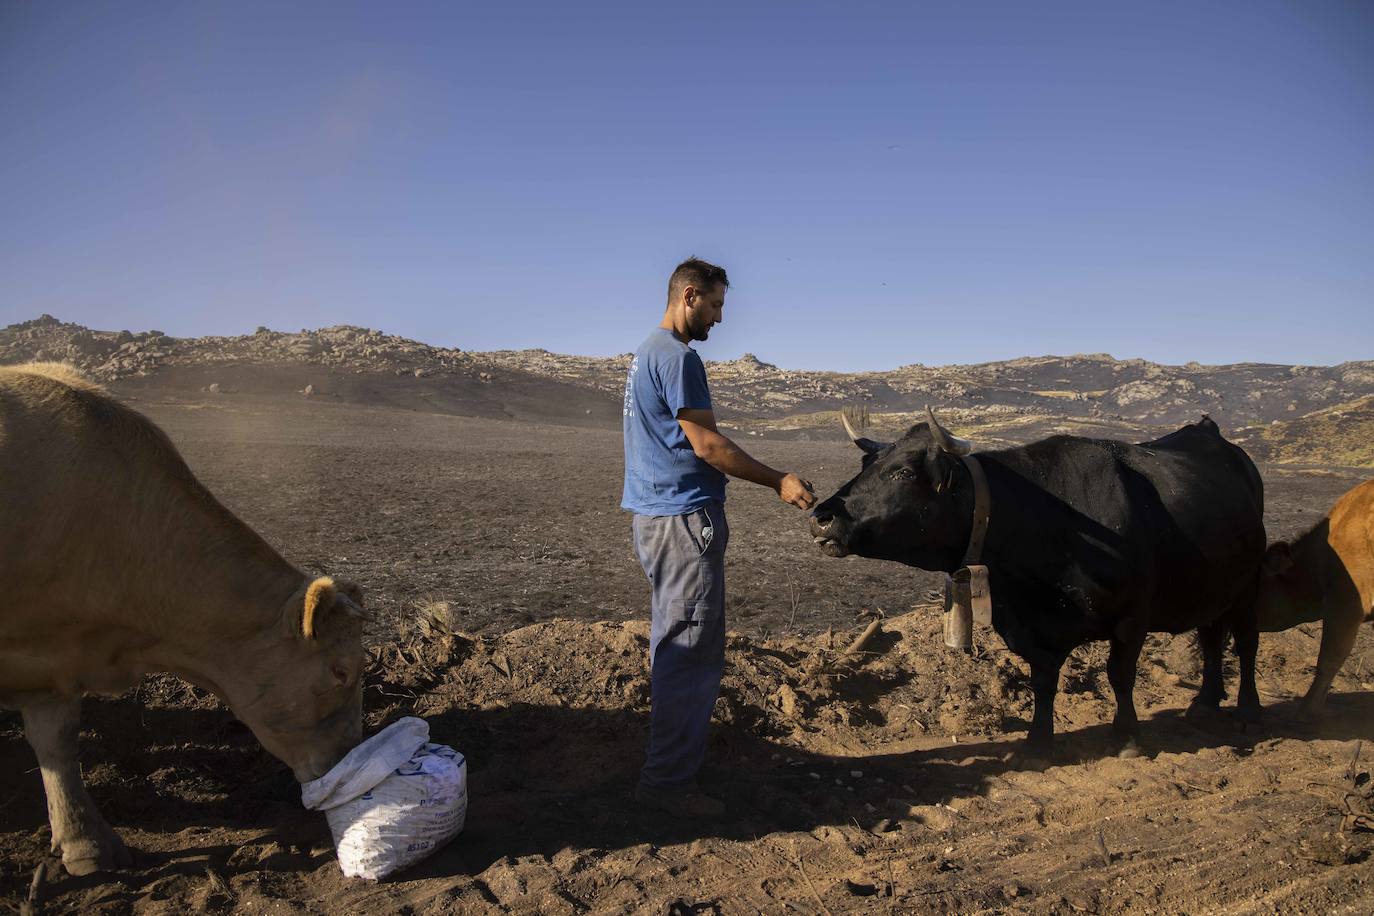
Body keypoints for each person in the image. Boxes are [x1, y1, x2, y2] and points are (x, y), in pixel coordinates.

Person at [621, 256, 816, 819]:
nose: (720, 319)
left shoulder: (644, 355)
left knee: (672, 642)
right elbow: (706, 445)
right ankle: (667, 786)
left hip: (653, 520)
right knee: (689, 654)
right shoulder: (678, 358)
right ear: (689, 296)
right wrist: (777, 479)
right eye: (716, 305)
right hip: (683, 523)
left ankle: (670, 769)